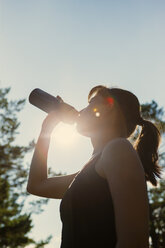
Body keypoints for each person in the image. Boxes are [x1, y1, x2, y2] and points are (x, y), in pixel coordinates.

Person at [27, 85, 162, 248]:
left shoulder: (118, 149)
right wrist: (47, 129)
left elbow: (134, 243)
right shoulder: (92, 168)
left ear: (108, 107)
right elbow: (37, 185)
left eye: (91, 103)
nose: (82, 109)